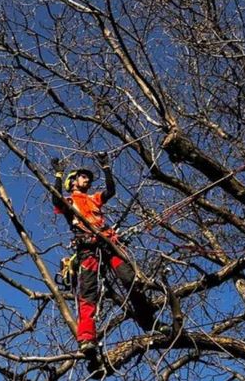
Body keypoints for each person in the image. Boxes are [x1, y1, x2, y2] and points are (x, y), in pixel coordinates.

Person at [50, 153, 163, 368]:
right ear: (72, 181)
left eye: (88, 178)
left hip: (108, 245)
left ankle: (148, 319)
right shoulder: (69, 201)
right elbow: (56, 199)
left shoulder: (93, 198)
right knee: (88, 294)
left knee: (131, 280)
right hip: (88, 250)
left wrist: (106, 167)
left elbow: (110, 191)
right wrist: (58, 174)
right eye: (83, 177)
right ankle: (86, 339)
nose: (87, 180)